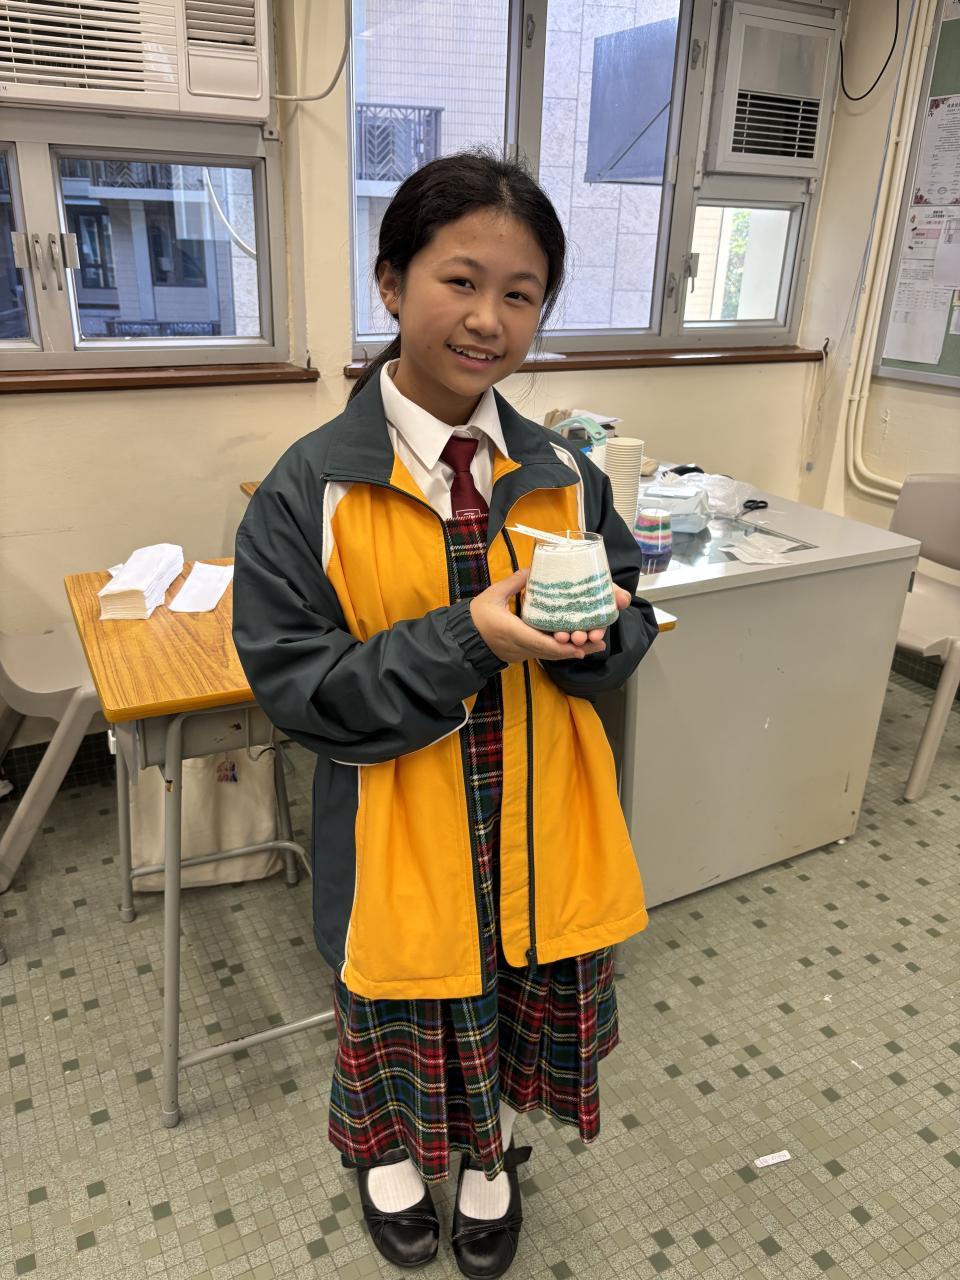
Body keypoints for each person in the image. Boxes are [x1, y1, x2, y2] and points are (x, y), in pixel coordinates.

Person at [232, 150, 659, 1278]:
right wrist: (472, 638)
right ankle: (387, 1158)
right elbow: (302, 690)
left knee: (509, 1004)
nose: (488, 319)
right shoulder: (310, 488)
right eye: (459, 280)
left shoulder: (563, 468)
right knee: (404, 1016)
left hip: (538, 826)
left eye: (521, 293)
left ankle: (488, 1158)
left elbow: (625, 619)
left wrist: (609, 636)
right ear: (390, 283)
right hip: (398, 839)